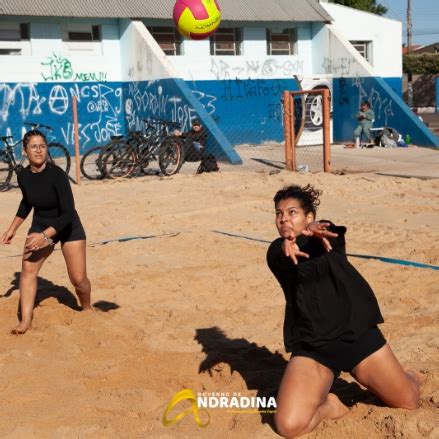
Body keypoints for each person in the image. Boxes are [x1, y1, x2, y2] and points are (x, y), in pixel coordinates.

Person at [266, 184, 420, 438]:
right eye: (279, 213)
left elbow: (329, 230)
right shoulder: (277, 253)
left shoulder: (327, 239)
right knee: (288, 426)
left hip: (356, 336)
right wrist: (286, 247)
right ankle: (331, 405)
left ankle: (409, 375)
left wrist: (313, 231)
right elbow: (277, 253)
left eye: (292, 212)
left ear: (309, 217)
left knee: (408, 401)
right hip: (314, 347)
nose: (284, 218)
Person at [1, 129, 92, 335]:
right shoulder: (23, 176)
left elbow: (68, 213)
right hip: (41, 224)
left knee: (79, 280)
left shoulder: (57, 175)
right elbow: (27, 203)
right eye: (34, 146)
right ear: (25, 151)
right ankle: (25, 321)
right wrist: (12, 229)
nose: (39, 150)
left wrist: (45, 237)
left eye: (42, 146)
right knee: (27, 271)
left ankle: (87, 308)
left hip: (68, 226)